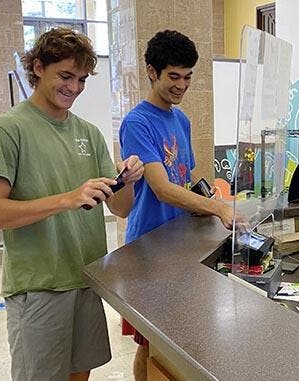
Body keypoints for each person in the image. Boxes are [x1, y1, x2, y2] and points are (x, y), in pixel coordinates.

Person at [0, 27, 144, 381]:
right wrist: (66, 199)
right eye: (65, 76)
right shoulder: (10, 130)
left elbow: (121, 209)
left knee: (80, 374)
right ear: (38, 67)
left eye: (81, 79)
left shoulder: (88, 133)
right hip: (39, 287)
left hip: (85, 279)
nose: (74, 87)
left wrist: (127, 179)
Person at [118, 30, 237, 381]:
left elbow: (182, 178)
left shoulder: (181, 119)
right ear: (152, 71)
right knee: (150, 342)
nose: (182, 85)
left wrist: (204, 201)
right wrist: (219, 208)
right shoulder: (137, 122)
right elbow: (161, 188)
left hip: (181, 243)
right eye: (173, 77)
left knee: (175, 340)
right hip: (149, 248)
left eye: (187, 77)